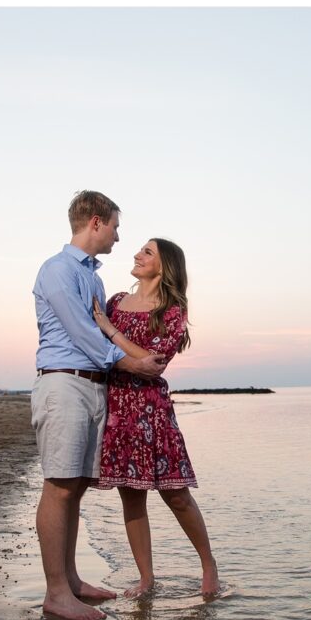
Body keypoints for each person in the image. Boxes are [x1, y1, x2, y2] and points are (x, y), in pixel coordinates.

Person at [32, 191, 168, 620]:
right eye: (114, 225)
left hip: (93, 387)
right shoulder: (56, 270)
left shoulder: (92, 277)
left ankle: (70, 581)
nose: (118, 235)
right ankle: (56, 593)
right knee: (58, 484)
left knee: (75, 485)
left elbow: (101, 332)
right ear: (96, 222)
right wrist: (137, 365)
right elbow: (83, 335)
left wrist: (128, 367)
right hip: (64, 384)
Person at [91, 238, 220, 598]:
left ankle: (208, 565)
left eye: (147, 252)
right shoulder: (115, 302)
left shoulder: (172, 309)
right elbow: (108, 350)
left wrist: (110, 330)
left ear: (164, 266)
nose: (136, 254)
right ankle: (146, 578)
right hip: (117, 407)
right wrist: (109, 331)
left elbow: (154, 362)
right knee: (130, 497)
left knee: (176, 494)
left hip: (152, 410)